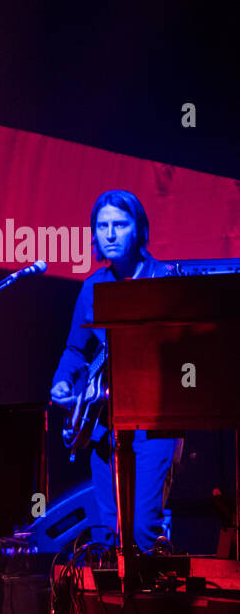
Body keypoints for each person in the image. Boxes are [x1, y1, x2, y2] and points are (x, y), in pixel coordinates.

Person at [50, 190, 182, 552]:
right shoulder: (93, 286)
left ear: (139, 230)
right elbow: (76, 350)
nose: (109, 234)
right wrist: (63, 381)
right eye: (102, 225)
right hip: (105, 425)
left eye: (119, 225)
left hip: (155, 424)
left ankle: (156, 605)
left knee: (141, 530)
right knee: (112, 534)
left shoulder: (165, 279)